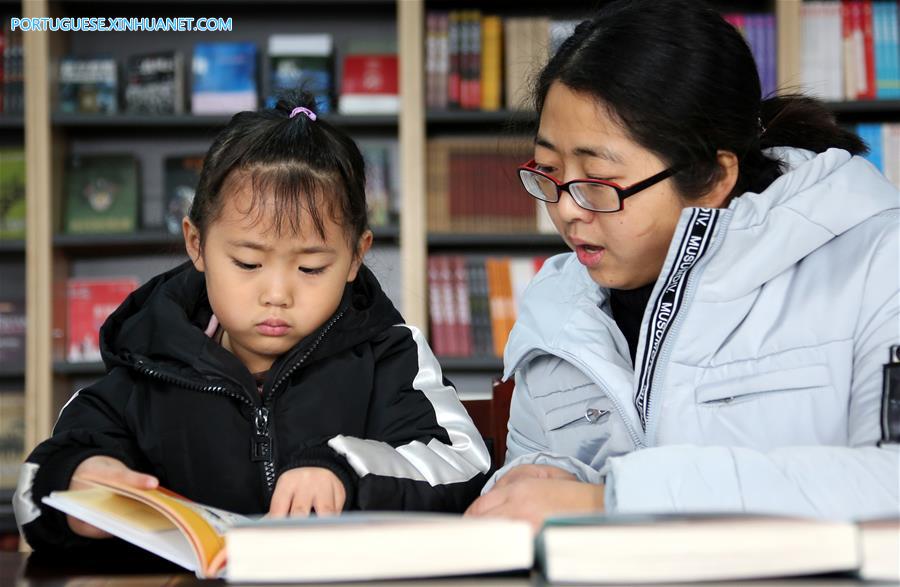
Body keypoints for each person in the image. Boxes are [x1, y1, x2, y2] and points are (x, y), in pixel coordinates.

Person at [466, 0, 899, 530]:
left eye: (599, 181)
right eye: (550, 171)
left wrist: (615, 501)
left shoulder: (879, 261)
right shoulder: (554, 305)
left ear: (714, 177)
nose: (565, 209)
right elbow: (533, 482)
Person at [15, 95, 491, 550]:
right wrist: (76, 479)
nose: (277, 294)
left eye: (310, 269)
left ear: (355, 257)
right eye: (247, 263)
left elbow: (463, 466)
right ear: (196, 244)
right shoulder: (149, 358)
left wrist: (344, 469)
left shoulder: (390, 353)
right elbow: (36, 483)